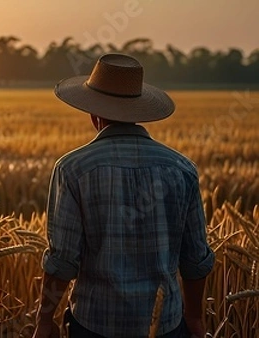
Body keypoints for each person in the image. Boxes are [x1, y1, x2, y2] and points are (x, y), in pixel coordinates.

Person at [33, 54, 215, 338]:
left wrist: (45, 320)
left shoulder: (73, 169)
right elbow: (196, 259)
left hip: (94, 326)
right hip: (166, 325)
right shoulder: (182, 168)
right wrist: (194, 317)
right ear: (139, 110)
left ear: (94, 114)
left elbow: (63, 260)